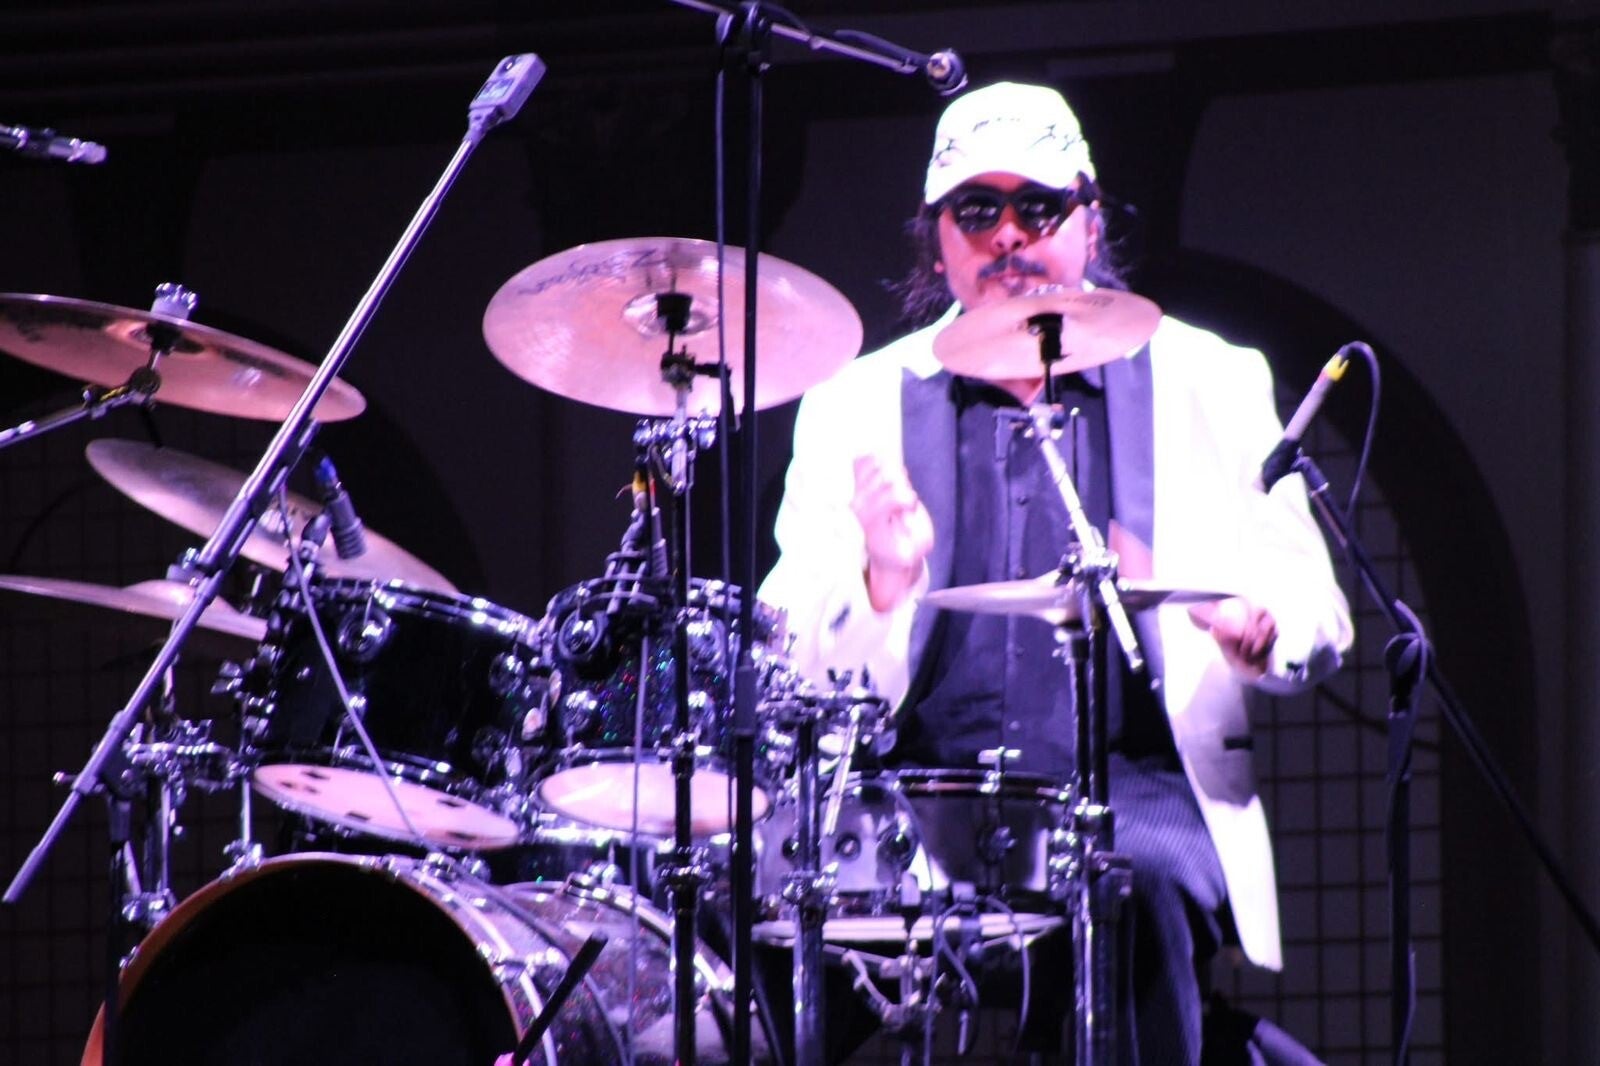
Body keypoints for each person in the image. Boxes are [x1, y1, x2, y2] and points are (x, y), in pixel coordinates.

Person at [757, 81, 1353, 1063]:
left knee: (1134, 887)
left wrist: (1259, 626)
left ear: (1090, 220)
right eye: (976, 210)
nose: (1007, 235)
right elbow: (792, 663)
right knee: (768, 922)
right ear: (937, 238)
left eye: (1037, 206)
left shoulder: (1207, 376)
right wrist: (881, 584)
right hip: (909, 792)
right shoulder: (853, 404)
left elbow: (1315, 608)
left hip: (1135, 792)